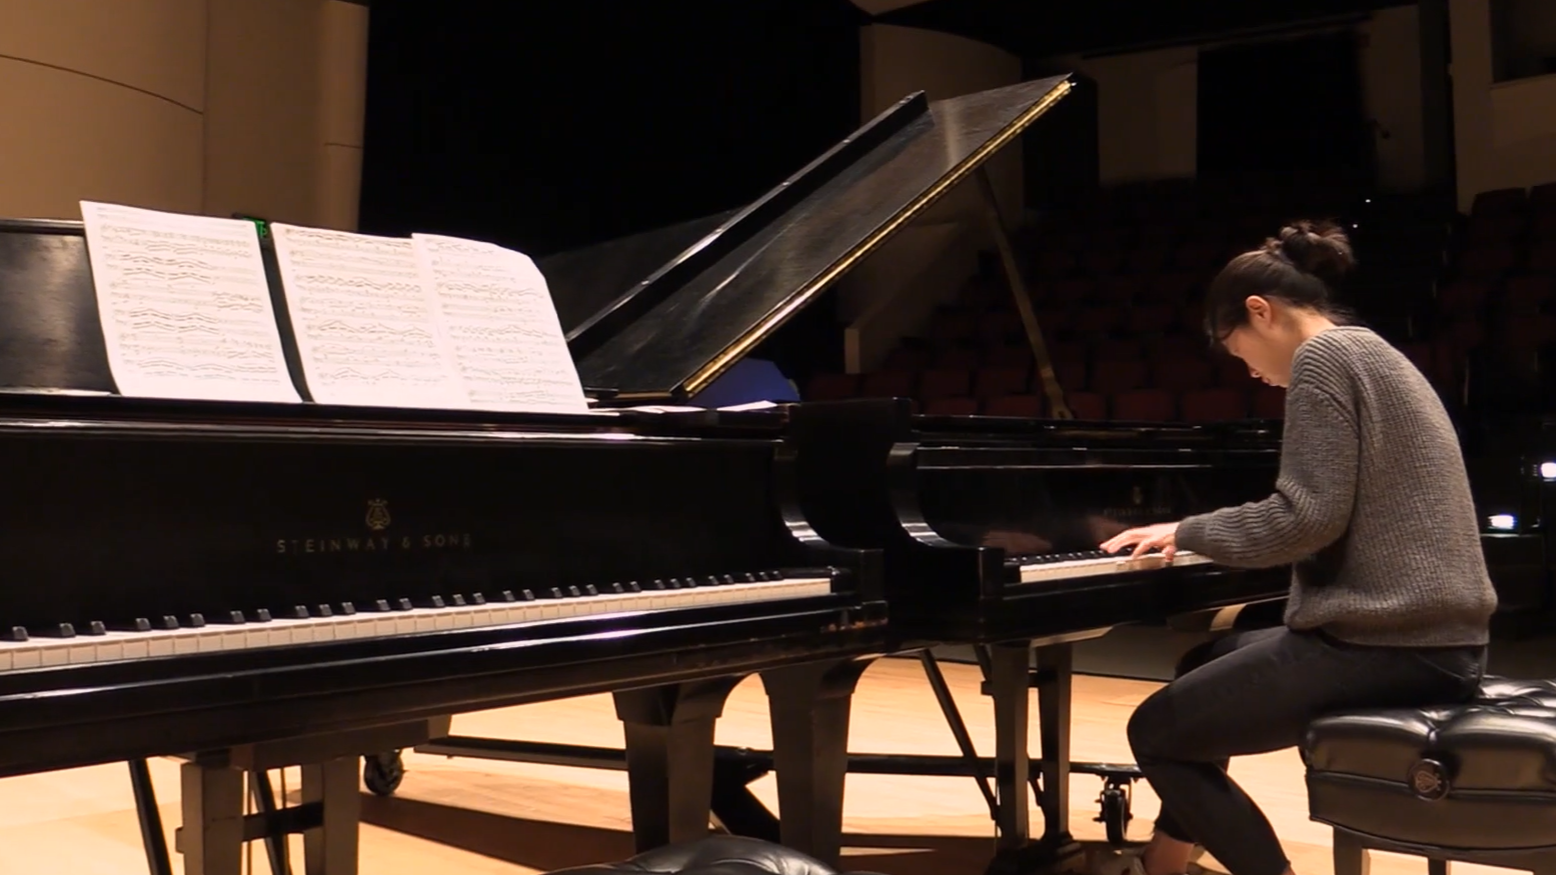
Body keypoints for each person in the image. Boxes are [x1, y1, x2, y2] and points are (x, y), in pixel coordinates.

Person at [1098, 220, 1497, 875]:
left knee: (1154, 732)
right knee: (1206, 660)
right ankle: (1164, 859)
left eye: (1242, 351)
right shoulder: (1371, 352)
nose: (1252, 372)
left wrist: (1187, 531)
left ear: (1262, 311)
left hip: (1389, 649)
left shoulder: (1322, 361)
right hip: (1437, 638)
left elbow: (1303, 520)